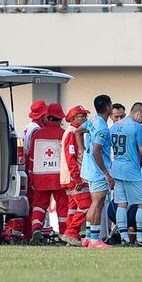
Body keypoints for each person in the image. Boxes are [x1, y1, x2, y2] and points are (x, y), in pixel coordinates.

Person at [76, 95, 114, 248]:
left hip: (89, 168)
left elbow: (78, 131)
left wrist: (81, 150)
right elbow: (97, 151)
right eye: (111, 105)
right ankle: (94, 240)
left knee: (95, 203)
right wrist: (106, 173)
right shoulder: (102, 128)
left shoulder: (93, 120)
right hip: (98, 171)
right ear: (107, 107)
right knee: (96, 204)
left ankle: (88, 238)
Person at [26, 103, 67, 244]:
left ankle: (36, 228)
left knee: (38, 205)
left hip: (40, 177)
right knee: (62, 207)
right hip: (58, 178)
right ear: (60, 118)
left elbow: (31, 158)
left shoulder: (37, 134)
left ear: (47, 116)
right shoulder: (64, 134)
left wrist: (31, 177)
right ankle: (63, 234)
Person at [110, 103, 142, 246]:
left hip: (116, 169)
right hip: (132, 170)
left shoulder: (114, 125)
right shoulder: (137, 127)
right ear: (139, 113)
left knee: (121, 203)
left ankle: (124, 237)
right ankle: (140, 238)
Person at [60, 105, 91, 246]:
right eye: (81, 116)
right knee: (86, 205)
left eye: (85, 116)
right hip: (74, 177)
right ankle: (71, 232)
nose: (85, 118)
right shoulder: (73, 133)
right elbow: (70, 157)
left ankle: (72, 237)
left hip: (69, 177)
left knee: (73, 208)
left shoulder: (72, 132)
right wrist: (77, 177)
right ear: (73, 118)